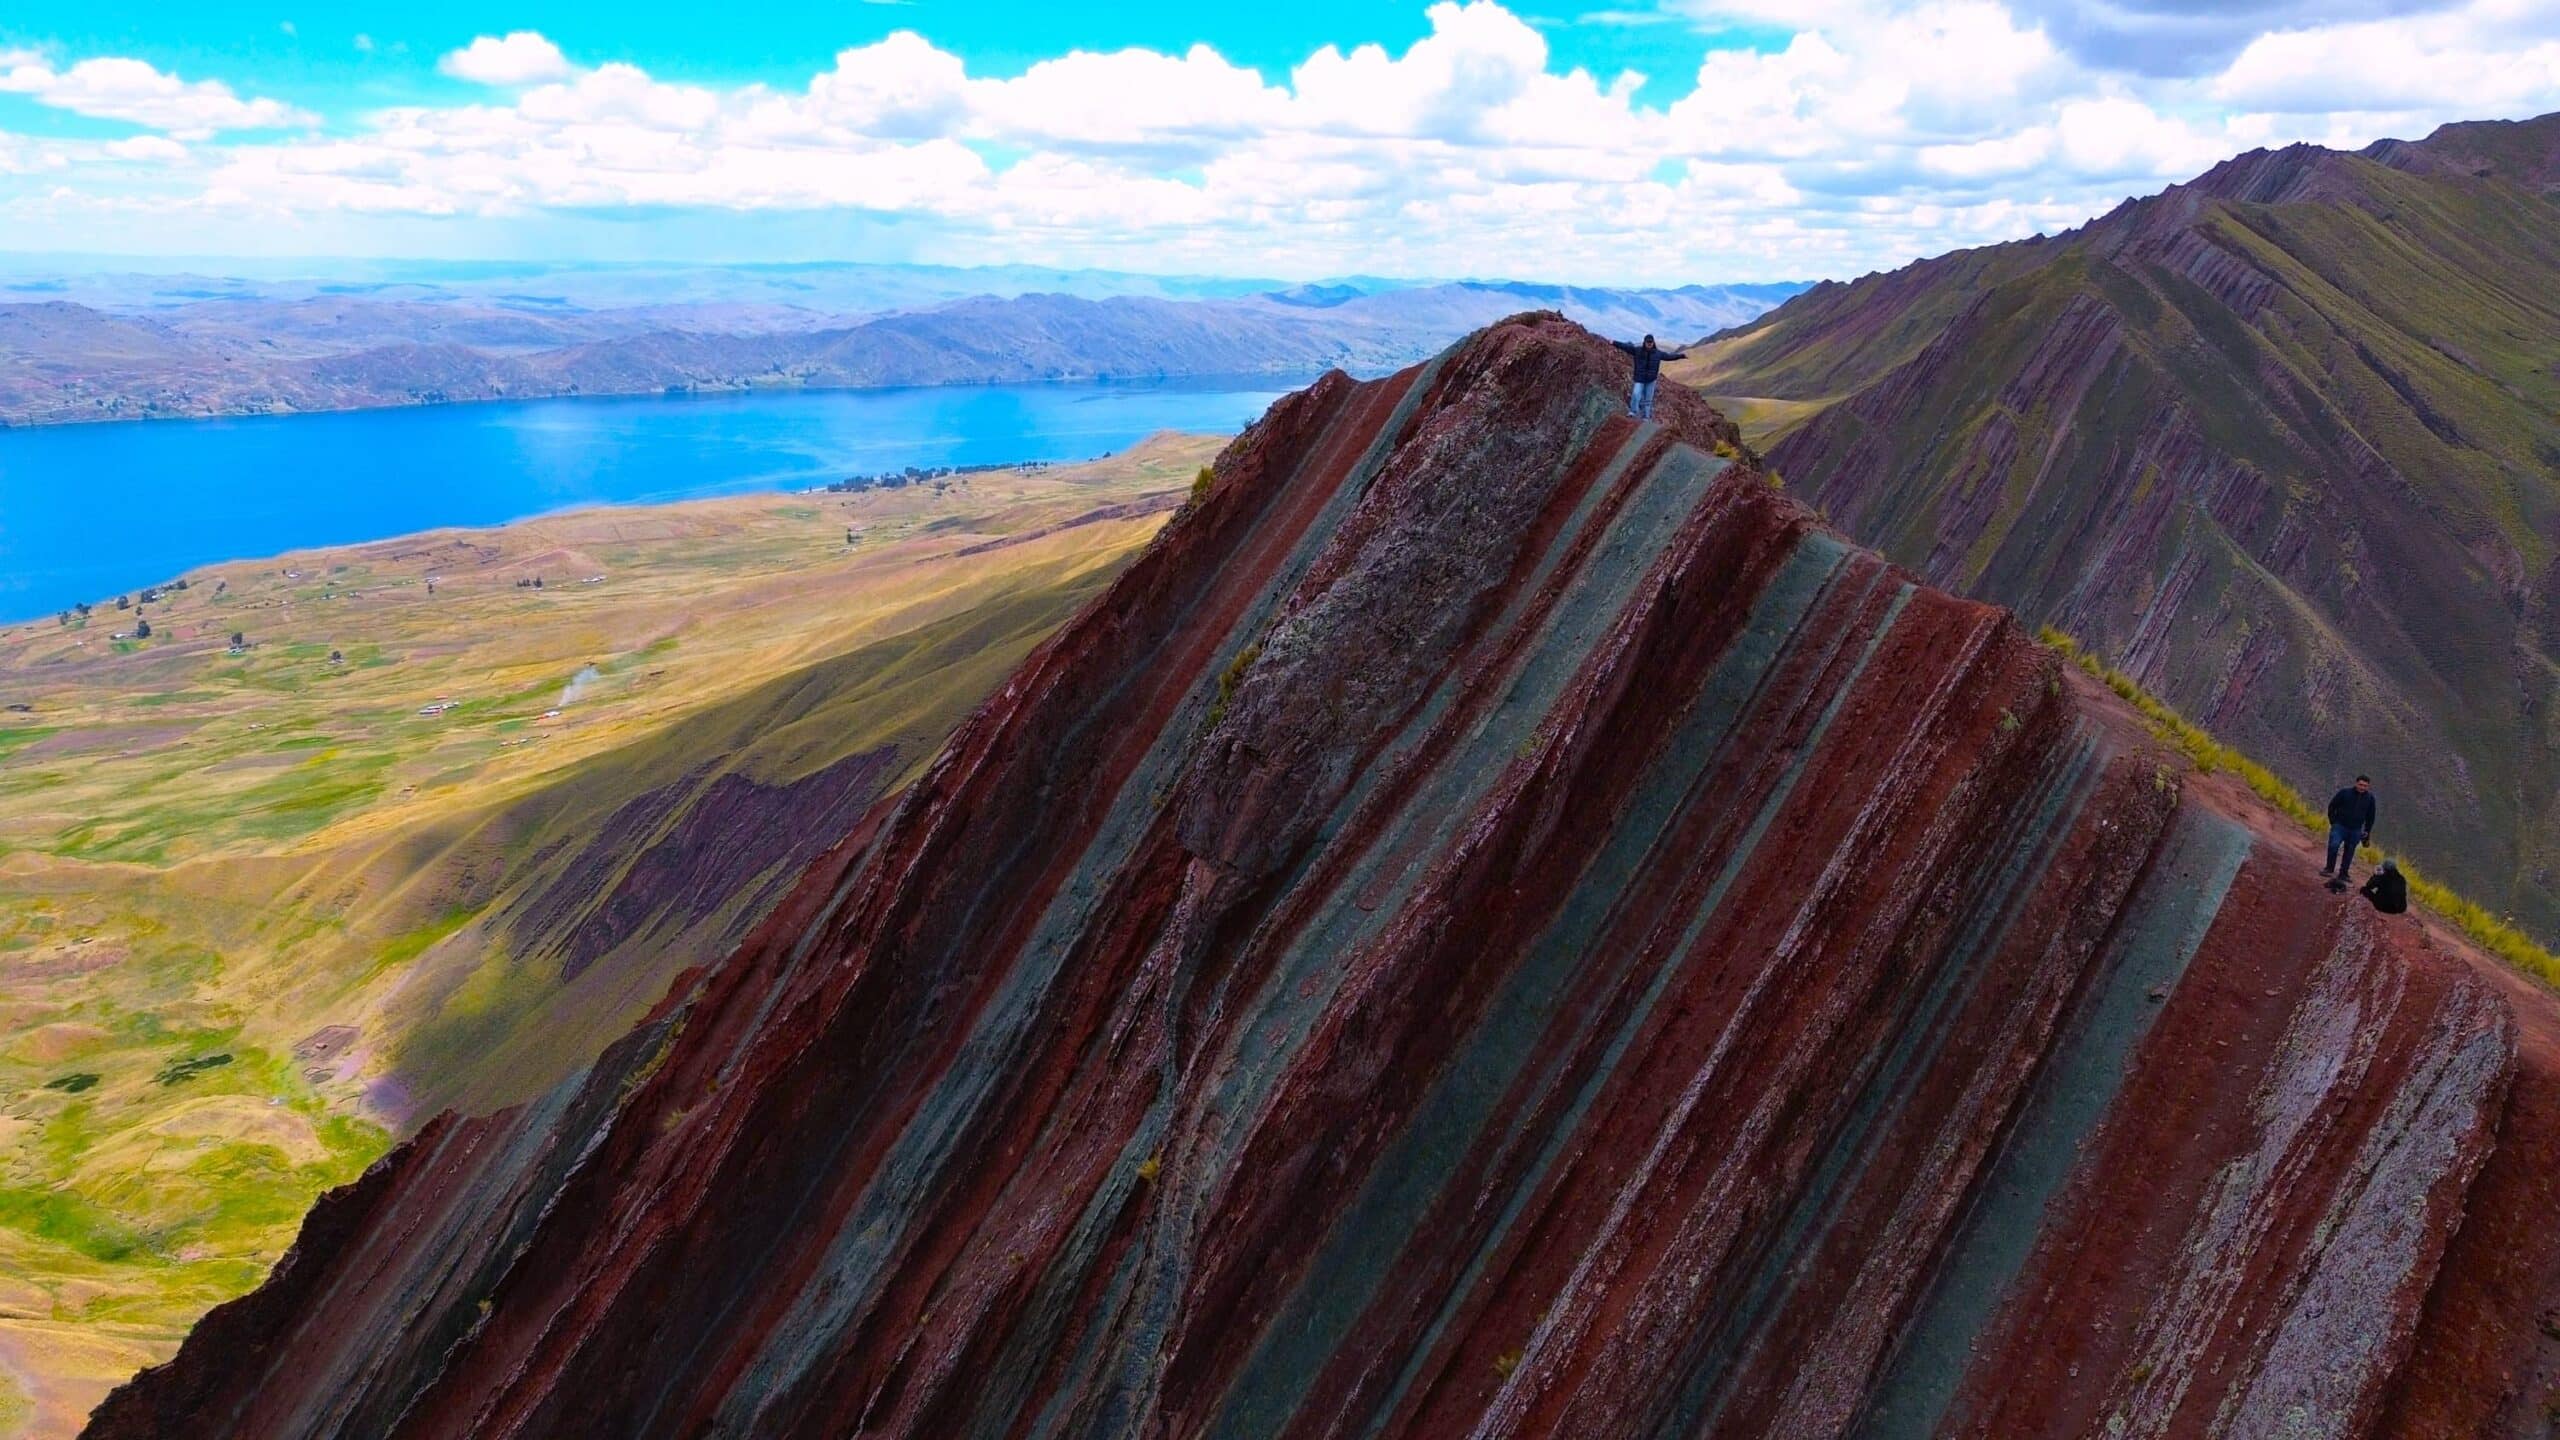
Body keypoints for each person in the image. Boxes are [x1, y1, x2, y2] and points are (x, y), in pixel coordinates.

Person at [1612, 334, 1687, 421]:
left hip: (1651, 380)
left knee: (1648, 400)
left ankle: (1646, 417)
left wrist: (1681, 356)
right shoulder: (1637, 350)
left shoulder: (1658, 353)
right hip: (1639, 378)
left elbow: (1669, 356)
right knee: (1636, 394)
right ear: (1644, 342)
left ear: (1653, 343)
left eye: (1651, 342)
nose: (1649, 344)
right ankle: (1633, 412)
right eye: (1648, 342)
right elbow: (1625, 347)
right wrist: (1614, 342)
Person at [2323, 774, 2377, 890]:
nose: (2362, 787)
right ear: (2356, 783)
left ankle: (2343, 874)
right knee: (2334, 845)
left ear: (2368, 786)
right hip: (2340, 826)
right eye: (2361, 785)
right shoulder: (2345, 793)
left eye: (2365, 786)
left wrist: (2367, 831)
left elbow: (2370, 817)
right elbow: (2332, 806)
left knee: (2350, 851)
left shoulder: (2370, 799)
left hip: (2356, 829)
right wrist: (2333, 822)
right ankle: (2329, 868)